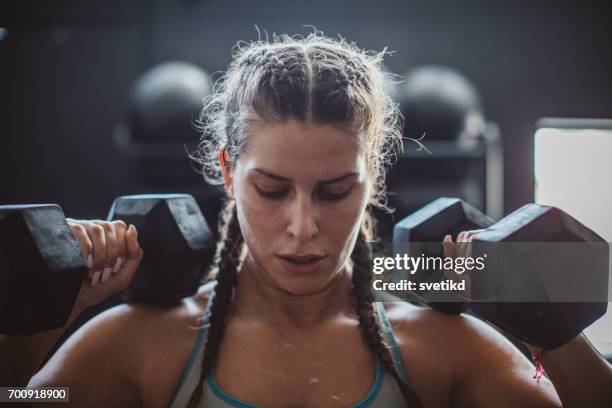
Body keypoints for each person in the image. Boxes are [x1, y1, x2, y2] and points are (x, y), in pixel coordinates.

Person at [19, 32, 612, 407]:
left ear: (372, 178)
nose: (302, 227)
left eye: (334, 192)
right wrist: (50, 317)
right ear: (228, 172)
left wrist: (536, 312)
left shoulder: (438, 347)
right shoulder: (144, 344)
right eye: (273, 191)